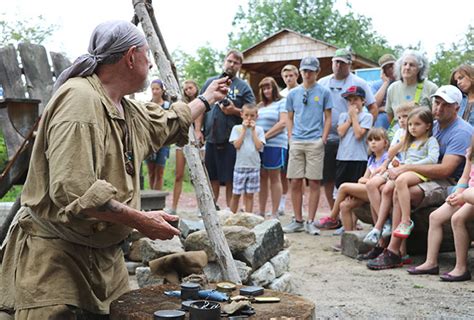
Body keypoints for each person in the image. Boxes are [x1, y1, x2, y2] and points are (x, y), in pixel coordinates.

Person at [0, 20, 229, 319]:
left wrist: (207, 99)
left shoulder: (124, 106)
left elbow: (169, 122)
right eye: (147, 55)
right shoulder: (79, 102)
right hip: (56, 261)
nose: (150, 62)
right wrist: (142, 221)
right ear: (131, 56)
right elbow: (74, 191)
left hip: (106, 260)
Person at [367, 85, 473, 270]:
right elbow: (404, 148)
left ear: (457, 107)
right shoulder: (431, 124)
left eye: (445, 105)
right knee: (387, 188)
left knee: (401, 190)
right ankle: (386, 243)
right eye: (436, 102)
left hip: (449, 182)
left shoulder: (461, 131)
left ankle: (393, 251)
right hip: (423, 175)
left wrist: (406, 168)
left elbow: (446, 170)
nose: (438, 108)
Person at [315, 48, 378, 229]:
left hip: (356, 149)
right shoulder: (323, 81)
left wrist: (365, 127)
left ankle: (349, 220)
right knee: (330, 178)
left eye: (342, 62)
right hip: (331, 138)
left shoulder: (359, 82)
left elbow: (372, 109)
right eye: (336, 61)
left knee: (352, 184)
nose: (338, 65)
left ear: (349, 64)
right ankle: (336, 216)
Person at [407, 137, 474, 280]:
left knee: (457, 218)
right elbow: (464, 178)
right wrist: (458, 192)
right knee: (435, 217)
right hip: (467, 193)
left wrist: (463, 197)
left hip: (471, 197)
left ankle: (461, 268)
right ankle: (431, 263)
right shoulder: (471, 152)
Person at [198, 49, 256, 209]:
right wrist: (198, 130)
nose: (231, 64)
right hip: (210, 137)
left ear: (240, 66)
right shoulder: (211, 82)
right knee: (212, 177)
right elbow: (200, 108)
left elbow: (253, 110)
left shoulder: (243, 87)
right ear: (225, 61)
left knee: (231, 178)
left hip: (232, 140)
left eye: (235, 62)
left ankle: (231, 211)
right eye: (229, 61)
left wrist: (234, 111)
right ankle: (212, 208)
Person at [282, 56, 332, 235]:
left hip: (315, 141)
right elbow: (288, 116)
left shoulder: (324, 92)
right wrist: (290, 136)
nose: (307, 73)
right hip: (297, 140)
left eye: (311, 70)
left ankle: (311, 221)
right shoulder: (293, 93)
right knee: (295, 181)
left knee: (314, 181)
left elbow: (328, 117)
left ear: (317, 72)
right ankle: (297, 220)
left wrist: (323, 138)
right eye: (305, 70)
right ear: (300, 72)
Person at [364, 102, 415, 245]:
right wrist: (385, 166)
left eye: (405, 116)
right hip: (392, 166)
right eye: (399, 118)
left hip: (405, 170)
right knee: (371, 184)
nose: (402, 120)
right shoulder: (399, 132)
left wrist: (406, 139)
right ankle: (385, 222)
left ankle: (380, 226)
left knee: (386, 189)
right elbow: (391, 153)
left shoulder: (415, 132)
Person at [329, 128, 389, 233]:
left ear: (385, 143)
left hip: (377, 192)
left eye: (377, 139)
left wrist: (366, 181)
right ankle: (349, 237)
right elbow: (363, 178)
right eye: (370, 140)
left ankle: (332, 218)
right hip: (368, 190)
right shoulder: (372, 159)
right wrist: (363, 184)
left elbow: (379, 179)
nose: (373, 143)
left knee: (343, 187)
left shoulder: (387, 158)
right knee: (344, 205)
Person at [385, 50, 438, 136]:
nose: (407, 67)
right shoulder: (392, 88)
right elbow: (390, 115)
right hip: (399, 138)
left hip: (423, 139)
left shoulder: (431, 88)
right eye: (404, 64)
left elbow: (436, 116)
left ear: (419, 69)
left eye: (412, 65)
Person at [256, 77, 288, 218]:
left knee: (274, 177)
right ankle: (261, 211)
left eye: (268, 87)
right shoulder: (260, 106)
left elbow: (283, 123)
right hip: (261, 146)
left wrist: (265, 137)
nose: (266, 91)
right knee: (262, 176)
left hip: (276, 144)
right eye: (263, 88)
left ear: (274, 88)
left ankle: (274, 212)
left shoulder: (282, 102)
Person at [168, 80, 201, 215]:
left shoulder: (201, 101)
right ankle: (174, 207)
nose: (188, 90)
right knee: (179, 175)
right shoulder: (182, 103)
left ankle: (201, 207)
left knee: (198, 175)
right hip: (182, 140)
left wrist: (198, 131)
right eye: (186, 89)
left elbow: (199, 120)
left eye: (190, 88)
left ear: (196, 88)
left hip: (196, 142)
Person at [229, 103, 265, 213]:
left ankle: (248, 217)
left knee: (250, 194)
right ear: (241, 115)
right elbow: (237, 145)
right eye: (246, 115)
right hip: (240, 165)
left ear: (256, 116)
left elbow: (259, 147)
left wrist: (253, 131)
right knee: (236, 194)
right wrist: (244, 130)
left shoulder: (259, 130)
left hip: (254, 166)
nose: (249, 118)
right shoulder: (237, 128)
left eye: (252, 116)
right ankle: (232, 217)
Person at [278, 64, 300, 213]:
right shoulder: (281, 94)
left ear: (296, 76)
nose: (288, 78)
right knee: (283, 172)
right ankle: (283, 200)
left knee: (298, 175)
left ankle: (299, 204)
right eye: (286, 76)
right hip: (283, 137)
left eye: (291, 75)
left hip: (299, 135)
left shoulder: (302, 91)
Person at [145, 79, 171, 190]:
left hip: (164, 142)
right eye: (153, 89)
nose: (155, 91)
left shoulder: (168, 105)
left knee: (160, 172)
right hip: (150, 143)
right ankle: (151, 200)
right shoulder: (147, 105)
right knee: (151, 172)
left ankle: (158, 198)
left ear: (162, 90)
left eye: (157, 89)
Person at [370, 53, 397, 129]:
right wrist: (385, 83)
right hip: (382, 125)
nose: (390, 70)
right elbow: (374, 106)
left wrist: (383, 109)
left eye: (392, 66)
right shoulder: (376, 85)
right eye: (386, 68)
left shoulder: (404, 82)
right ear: (382, 71)